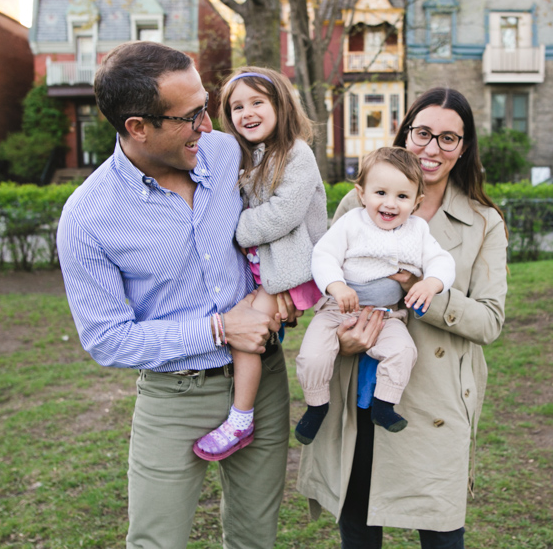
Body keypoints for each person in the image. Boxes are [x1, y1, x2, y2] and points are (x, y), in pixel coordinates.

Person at [56, 41, 296, 549]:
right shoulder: (87, 217)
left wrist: (280, 293)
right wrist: (218, 328)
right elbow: (106, 339)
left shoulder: (226, 153)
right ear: (138, 127)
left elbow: (279, 229)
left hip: (263, 381)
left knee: (256, 538)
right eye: (191, 117)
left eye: (206, 106)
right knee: (155, 542)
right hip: (174, 397)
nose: (208, 125)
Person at [296, 88, 509, 548]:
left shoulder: (483, 221)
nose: (432, 149)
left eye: (448, 139)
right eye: (423, 132)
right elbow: (328, 283)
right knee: (358, 533)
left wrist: (416, 290)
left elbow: (490, 321)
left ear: (464, 147)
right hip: (360, 393)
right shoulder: (357, 206)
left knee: (440, 538)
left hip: (434, 404)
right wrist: (348, 337)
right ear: (406, 131)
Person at [192, 66, 327, 461]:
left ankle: (241, 417)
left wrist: (228, 229)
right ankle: (246, 408)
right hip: (266, 270)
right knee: (248, 327)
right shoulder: (246, 155)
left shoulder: (297, 154)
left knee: (246, 331)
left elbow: (282, 215)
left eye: (257, 102)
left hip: (293, 270)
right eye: (236, 107)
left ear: (280, 105)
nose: (246, 112)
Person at [294, 147, 456, 444]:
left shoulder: (418, 230)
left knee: (404, 351)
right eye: (380, 192)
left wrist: (431, 283)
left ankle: (384, 404)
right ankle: (316, 406)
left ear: (417, 202)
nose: (390, 204)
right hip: (338, 309)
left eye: (402, 197)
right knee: (313, 355)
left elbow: (442, 261)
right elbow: (324, 254)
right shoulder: (352, 222)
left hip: (386, 314)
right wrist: (336, 285)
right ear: (362, 193)